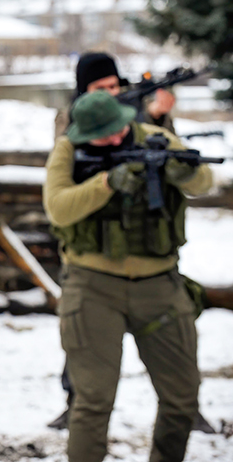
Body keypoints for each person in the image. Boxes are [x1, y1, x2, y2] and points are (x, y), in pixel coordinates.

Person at [43, 91, 213, 462]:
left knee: (182, 397)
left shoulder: (158, 138)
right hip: (92, 287)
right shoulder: (68, 151)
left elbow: (205, 182)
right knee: (92, 402)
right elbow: (58, 208)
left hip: (159, 285)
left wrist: (185, 172)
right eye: (102, 136)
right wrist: (106, 184)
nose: (114, 139)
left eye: (117, 130)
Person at [48, 51, 178, 430]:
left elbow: (166, 152)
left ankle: (183, 405)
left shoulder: (136, 108)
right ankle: (77, 402)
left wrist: (157, 116)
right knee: (84, 340)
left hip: (145, 236)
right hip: (92, 242)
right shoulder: (72, 118)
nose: (110, 94)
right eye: (99, 89)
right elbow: (72, 159)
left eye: (113, 87)